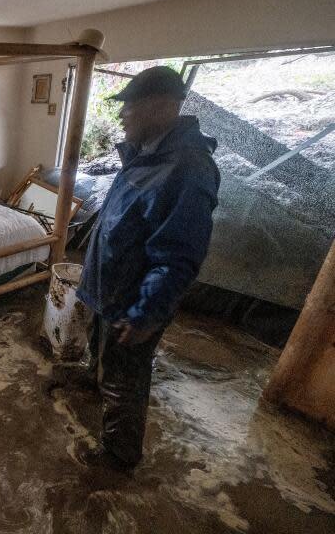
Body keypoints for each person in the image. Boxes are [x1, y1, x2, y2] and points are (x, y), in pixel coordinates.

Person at [74, 66, 221, 470]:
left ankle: (119, 455)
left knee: (126, 378)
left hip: (131, 299)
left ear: (159, 108)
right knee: (101, 349)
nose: (122, 117)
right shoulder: (147, 155)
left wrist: (145, 314)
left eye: (129, 108)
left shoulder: (187, 170)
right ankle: (92, 380)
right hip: (108, 286)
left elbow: (176, 258)